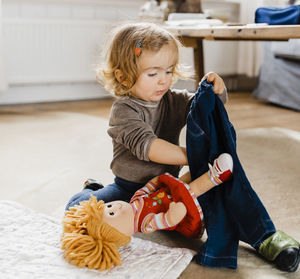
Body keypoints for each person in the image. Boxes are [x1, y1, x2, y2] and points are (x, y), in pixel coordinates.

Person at [64, 22, 299, 272]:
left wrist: (216, 93)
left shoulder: (173, 99)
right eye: (152, 74)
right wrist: (194, 157)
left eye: (168, 71)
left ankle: (263, 236)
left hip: (172, 187)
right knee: (78, 211)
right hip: (130, 188)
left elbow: (202, 110)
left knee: (216, 206)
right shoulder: (124, 111)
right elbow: (149, 147)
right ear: (123, 76)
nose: (163, 81)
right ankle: (93, 188)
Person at [61, 153, 234, 270]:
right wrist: (173, 215)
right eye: (112, 214)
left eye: (108, 207)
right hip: (179, 208)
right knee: (189, 191)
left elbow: (144, 192)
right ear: (119, 234)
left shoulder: (133, 203)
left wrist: (155, 182)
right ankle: (217, 175)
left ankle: (201, 168)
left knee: (180, 183)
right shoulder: (145, 224)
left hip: (168, 190)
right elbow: (165, 221)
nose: (114, 206)